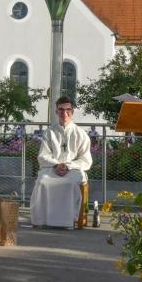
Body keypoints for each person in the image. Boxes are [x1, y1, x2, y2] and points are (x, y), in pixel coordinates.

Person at [30, 97, 92, 228]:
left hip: (73, 169)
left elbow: (86, 160)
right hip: (52, 168)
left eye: (68, 110)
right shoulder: (49, 132)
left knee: (69, 183)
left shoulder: (81, 134)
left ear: (72, 112)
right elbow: (43, 155)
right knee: (42, 182)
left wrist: (68, 166)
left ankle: (67, 221)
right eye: (61, 109)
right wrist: (56, 165)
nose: (65, 113)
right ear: (56, 111)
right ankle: (43, 220)